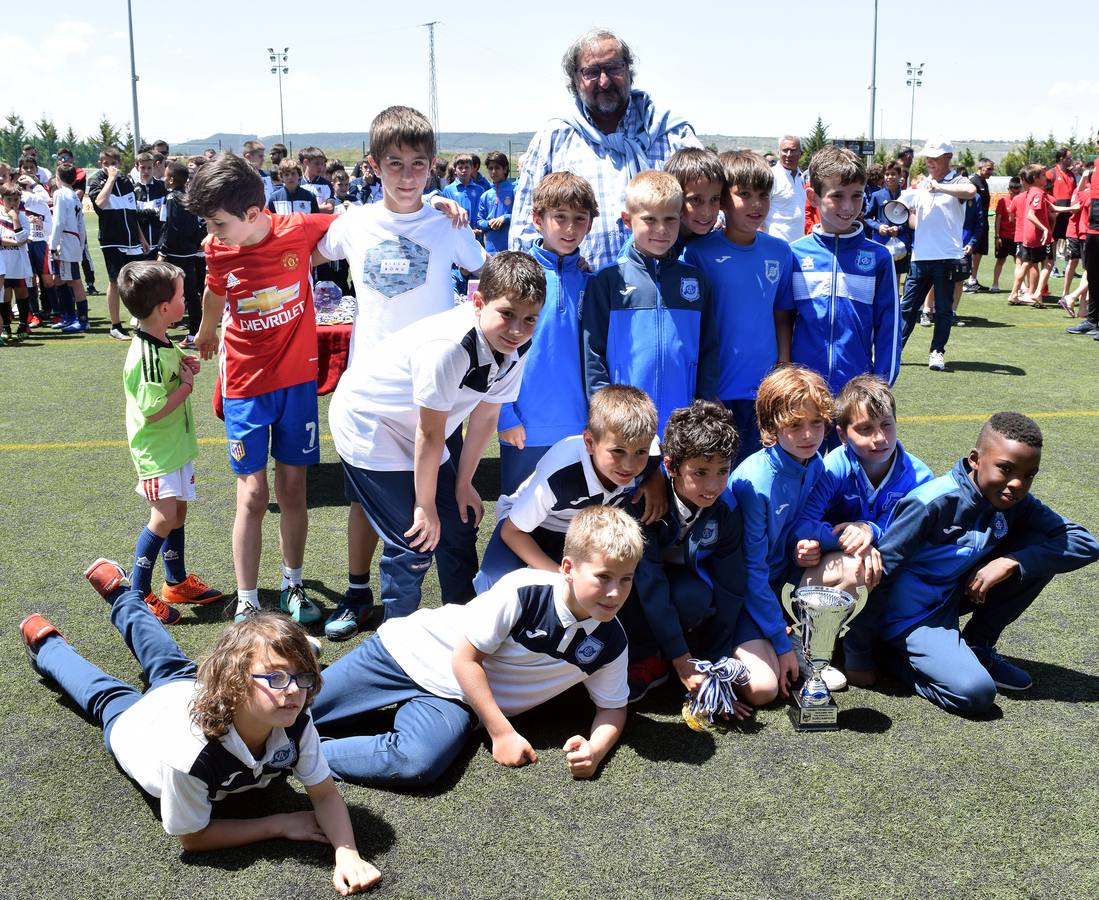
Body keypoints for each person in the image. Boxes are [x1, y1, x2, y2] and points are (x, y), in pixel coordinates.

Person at [21, 561, 381, 894]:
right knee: (103, 694)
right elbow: (193, 837)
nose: (292, 690)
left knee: (163, 653)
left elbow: (325, 794)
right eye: (275, 677)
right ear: (236, 682)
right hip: (139, 729)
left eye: (300, 677)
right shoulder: (191, 754)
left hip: (189, 691)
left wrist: (347, 853)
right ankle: (47, 644)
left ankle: (121, 596)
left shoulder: (295, 721)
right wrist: (280, 823)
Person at [312, 105, 487, 640]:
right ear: (373, 166)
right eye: (395, 163)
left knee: (450, 510)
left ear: (432, 166)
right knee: (366, 506)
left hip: (436, 393)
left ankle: (463, 617)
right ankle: (360, 593)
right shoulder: (354, 224)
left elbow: (485, 272)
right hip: (372, 394)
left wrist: (451, 210)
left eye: (418, 164)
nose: (407, 175)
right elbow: (305, 253)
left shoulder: (447, 223)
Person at [310, 505, 640, 788]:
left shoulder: (612, 641)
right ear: (567, 569)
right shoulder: (525, 591)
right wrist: (502, 732)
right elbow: (466, 659)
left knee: (418, 763)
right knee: (295, 708)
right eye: (604, 577)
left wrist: (596, 750)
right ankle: (296, 670)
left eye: (626, 579)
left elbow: (612, 707)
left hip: (459, 698)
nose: (615, 592)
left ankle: (295, 757)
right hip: (405, 653)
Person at [329, 252, 545, 624]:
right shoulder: (449, 346)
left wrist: (463, 484)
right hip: (370, 422)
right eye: (506, 313)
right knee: (414, 539)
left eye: (529, 319)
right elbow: (429, 434)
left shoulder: (517, 345)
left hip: (419, 424)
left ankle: (461, 627)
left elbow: (487, 414)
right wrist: (425, 505)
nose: (517, 329)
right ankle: (397, 644)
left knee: (460, 523)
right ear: (478, 303)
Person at [868, 413, 1099, 713]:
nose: (1017, 483)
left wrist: (1011, 561)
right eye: (1006, 469)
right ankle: (888, 657)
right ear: (976, 459)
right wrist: (860, 651)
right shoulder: (932, 503)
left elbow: (1085, 542)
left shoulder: (1014, 501)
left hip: (951, 598)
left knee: (1040, 552)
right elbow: (881, 575)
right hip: (910, 618)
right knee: (975, 693)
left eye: (1029, 475)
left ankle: (978, 646)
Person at [189, 152, 334, 624]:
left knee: (294, 489)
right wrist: (208, 330)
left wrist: (437, 205)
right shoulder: (217, 248)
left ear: (253, 215)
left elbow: (360, 221)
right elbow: (214, 289)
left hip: (295, 382)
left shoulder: (298, 228)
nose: (212, 233)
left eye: (218, 223)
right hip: (246, 385)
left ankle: (293, 583)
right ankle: (248, 597)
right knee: (251, 494)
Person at [510, 28, 699, 271]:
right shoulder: (554, 138)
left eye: (613, 68)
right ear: (575, 80)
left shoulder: (672, 133)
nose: (604, 81)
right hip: (579, 298)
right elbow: (524, 229)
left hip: (665, 298)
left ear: (629, 70)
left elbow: (714, 211)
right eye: (591, 72)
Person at [791, 375, 933, 687]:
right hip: (834, 567)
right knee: (858, 568)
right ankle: (809, 644)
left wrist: (871, 530)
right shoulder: (833, 467)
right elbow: (803, 523)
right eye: (865, 429)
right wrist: (841, 538)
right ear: (842, 434)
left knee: (886, 570)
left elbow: (917, 533)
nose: (879, 438)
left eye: (886, 425)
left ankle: (867, 644)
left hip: (885, 566)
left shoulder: (919, 476)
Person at [620, 401, 750, 705]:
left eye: (723, 471)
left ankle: (685, 653)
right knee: (628, 593)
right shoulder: (643, 502)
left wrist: (716, 664)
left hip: (678, 582)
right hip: (636, 583)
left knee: (694, 597)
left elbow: (731, 585)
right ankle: (648, 658)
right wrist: (681, 659)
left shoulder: (727, 508)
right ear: (671, 467)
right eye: (700, 472)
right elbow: (649, 581)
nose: (713, 485)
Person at [476, 384, 658, 593]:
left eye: (640, 452)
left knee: (610, 585)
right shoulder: (561, 474)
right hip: (527, 527)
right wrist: (561, 577)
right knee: (493, 580)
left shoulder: (650, 456)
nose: (629, 465)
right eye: (618, 451)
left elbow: (655, 454)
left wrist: (655, 479)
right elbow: (512, 531)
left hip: (579, 532)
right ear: (589, 442)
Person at [117, 260, 221, 623]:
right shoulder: (145, 355)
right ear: (164, 308)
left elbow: (169, 367)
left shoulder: (160, 339)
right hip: (156, 451)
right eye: (181, 295)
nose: (186, 300)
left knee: (178, 511)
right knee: (162, 517)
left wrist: (184, 364)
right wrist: (188, 386)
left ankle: (175, 581)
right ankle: (138, 592)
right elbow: (153, 410)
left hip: (175, 446)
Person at [723, 365, 832, 709]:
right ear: (771, 426)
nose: (809, 435)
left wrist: (812, 543)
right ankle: (733, 648)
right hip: (744, 594)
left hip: (780, 584)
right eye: (795, 425)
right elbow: (751, 571)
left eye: (816, 423)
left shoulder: (814, 463)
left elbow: (808, 522)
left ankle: (801, 642)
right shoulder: (754, 483)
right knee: (763, 689)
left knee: (845, 563)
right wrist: (781, 646)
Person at [581, 170, 719, 431]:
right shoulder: (608, 281)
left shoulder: (696, 281)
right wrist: (604, 410)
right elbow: (593, 353)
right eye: (649, 220)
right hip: (624, 422)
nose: (661, 230)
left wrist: (703, 404)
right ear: (627, 220)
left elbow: (709, 347)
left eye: (670, 219)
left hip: (683, 420)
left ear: (680, 218)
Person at [684, 150, 795, 465]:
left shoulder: (780, 252)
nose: (756, 204)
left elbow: (782, 313)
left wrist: (783, 367)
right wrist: (703, 389)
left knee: (759, 476)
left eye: (763, 195)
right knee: (718, 475)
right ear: (722, 201)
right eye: (744, 194)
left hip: (765, 392)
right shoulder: (698, 252)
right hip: (717, 391)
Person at [497, 172, 597, 494]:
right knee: (516, 516)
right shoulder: (517, 277)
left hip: (579, 428)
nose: (570, 229)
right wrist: (504, 414)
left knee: (571, 523)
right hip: (525, 428)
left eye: (579, 219)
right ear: (538, 219)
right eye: (560, 217)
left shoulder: (591, 283)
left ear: (590, 224)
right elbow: (495, 350)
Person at [790, 147, 900, 406]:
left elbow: (889, 328)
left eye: (857, 196)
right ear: (813, 197)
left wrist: (880, 386)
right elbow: (782, 324)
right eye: (837, 196)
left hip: (856, 395)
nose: (848, 206)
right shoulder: (793, 254)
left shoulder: (879, 258)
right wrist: (787, 377)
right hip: (803, 392)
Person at [897, 138, 976, 371]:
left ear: (948, 157)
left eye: (935, 157)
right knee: (908, 308)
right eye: (928, 157)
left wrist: (938, 187)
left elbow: (970, 191)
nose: (929, 161)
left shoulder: (958, 181)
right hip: (920, 257)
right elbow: (915, 222)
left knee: (943, 308)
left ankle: (937, 352)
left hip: (947, 258)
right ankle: (896, 350)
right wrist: (901, 217)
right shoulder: (921, 186)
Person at [87, 146, 150, 340]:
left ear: (119, 163)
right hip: (112, 240)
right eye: (106, 164)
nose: (110, 167)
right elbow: (100, 203)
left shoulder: (127, 181)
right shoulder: (97, 180)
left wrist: (141, 237)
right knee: (115, 281)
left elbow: (132, 213)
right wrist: (111, 179)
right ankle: (115, 326)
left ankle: (141, 322)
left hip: (132, 240)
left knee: (138, 282)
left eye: (113, 163)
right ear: (101, 164)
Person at [157, 161, 207, 347]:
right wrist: (194, 243)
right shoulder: (189, 197)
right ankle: (194, 334)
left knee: (165, 292)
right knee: (191, 293)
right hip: (189, 253)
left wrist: (163, 250)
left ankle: (159, 330)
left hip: (174, 253)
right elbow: (199, 224)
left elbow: (170, 226)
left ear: (170, 179)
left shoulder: (171, 198)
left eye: (165, 175)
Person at [47, 163, 88, 331]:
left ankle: (83, 320)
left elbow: (58, 221)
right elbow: (81, 224)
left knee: (75, 281)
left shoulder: (60, 194)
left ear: (58, 178)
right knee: (60, 279)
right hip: (72, 241)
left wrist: (53, 244)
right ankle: (69, 316)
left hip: (66, 241)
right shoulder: (73, 195)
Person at [664, 146, 726, 248]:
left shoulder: (717, 236)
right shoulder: (655, 241)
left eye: (714, 199)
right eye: (696, 200)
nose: (707, 212)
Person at [865, 160, 913, 276]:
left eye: (893, 174)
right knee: (879, 273)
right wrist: (878, 226)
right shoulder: (877, 195)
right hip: (881, 241)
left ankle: (895, 294)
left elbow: (911, 219)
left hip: (899, 243)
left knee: (896, 274)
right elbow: (867, 217)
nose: (889, 177)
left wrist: (899, 229)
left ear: (900, 176)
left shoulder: (907, 196)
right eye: (887, 174)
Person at [0, 183, 32, 340]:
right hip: (3, 262)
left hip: (19, 262)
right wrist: (17, 242)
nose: (13, 203)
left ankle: (23, 324)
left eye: (16, 200)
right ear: (2, 199)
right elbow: (2, 241)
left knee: (21, 292)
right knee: (5, 295)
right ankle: (6, 326)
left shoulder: (23, 218)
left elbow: (22, 237)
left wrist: (15, 218)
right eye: (9, 199)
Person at [763, 135, 807, 242]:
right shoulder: (771, 176)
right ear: (779, 153)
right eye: (785, 150)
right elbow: (759, 211)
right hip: (775, 244)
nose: (788, 155)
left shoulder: (801, 177)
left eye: (793, 150)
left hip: (798, 244)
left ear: (800, 153)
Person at [962, 158, 994, 292]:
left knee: (979, 251)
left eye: (992, 169)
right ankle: (967, 279)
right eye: (988, 169)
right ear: (979, 168)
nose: (991, 172)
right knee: (972, 251)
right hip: (973, 225)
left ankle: (972, 279)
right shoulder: (973, 182)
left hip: (982, 222)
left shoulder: (984, 182)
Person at [476, 151, 514, 255]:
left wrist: (505, 218)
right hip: (491, 249)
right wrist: (488, 223)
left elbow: (523, 216)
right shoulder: (486, 195)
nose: (493, 171)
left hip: (511, 248)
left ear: (505, 169)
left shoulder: (514, 191)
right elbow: (479, 221)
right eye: (490, 168)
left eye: (497, 168)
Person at [442, 154, 486, 241]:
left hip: (476, 236)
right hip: (456, 236)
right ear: (455, 170)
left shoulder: (480, 190)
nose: (464, 170)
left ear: (472, 169)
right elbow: (445, 215)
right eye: (460, 168)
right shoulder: (448, 190)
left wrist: (479, 228)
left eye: (467, 167)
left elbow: (483, 213)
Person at [990, 176, 1022, 293]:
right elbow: (998, 219)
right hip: (1004, 236)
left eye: (1017, 188)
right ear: (1009, 188)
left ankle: (1021, 285)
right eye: (1013, 188)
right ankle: (995, 283)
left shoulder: (1022, 200)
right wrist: (997, 236)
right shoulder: (1002, 201)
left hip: (1017, 236)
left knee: (1019, 261)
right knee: (1000, 260)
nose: (1015, 190)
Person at [133, 152, 168, 257]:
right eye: (143, 168)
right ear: (137, 167)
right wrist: (154, 211)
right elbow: (133, 215)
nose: (146, 171)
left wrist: (142, 214)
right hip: (141, 245)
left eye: (149, 167)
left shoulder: (163, 187)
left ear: (154, 166)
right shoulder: (132, 189)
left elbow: (164, 215)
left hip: (161, 245)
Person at [299, 147, 335, 213]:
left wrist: (305, 207)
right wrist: (320, 207)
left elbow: (330, 208)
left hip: (319, 222)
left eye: (322, 164)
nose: (320, 167)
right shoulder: (297, 183)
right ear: (306, 162)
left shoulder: (326, 184)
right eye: (317, 163)